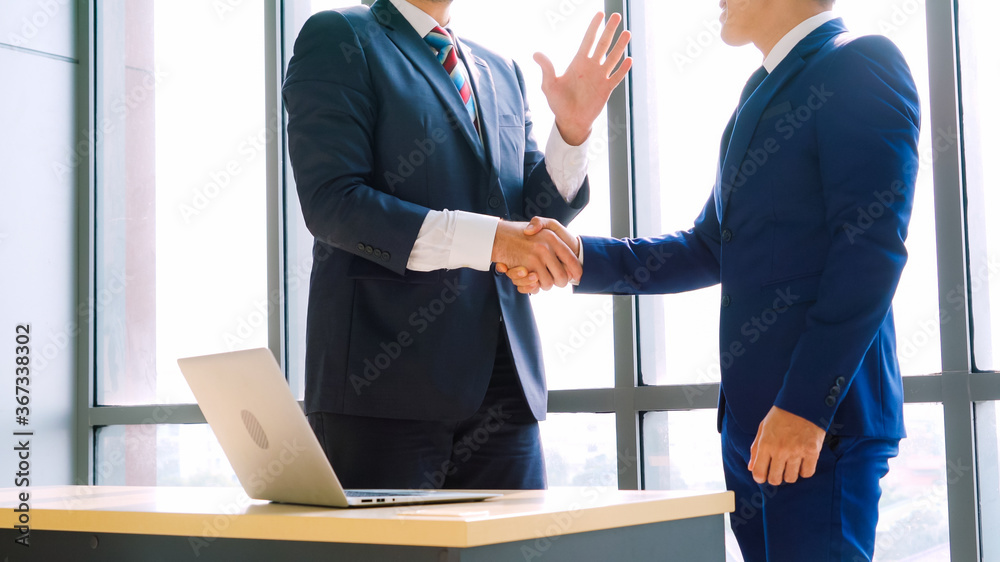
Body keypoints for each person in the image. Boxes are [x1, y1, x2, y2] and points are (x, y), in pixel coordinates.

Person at [499, 0, 920, 559]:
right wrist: (578, 256)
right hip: (754, 426)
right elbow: (707, 246)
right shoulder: (757, 91)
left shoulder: (861, 63)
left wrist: (805, 407)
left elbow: (870, 252)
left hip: (819, 426)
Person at [282, 0, 630, 490]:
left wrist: (571, 132)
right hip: (383, 389)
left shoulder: (501, 70)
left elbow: (527, 212)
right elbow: (334, 203)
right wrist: (493, 241)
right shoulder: (340, 35)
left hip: (505, 387)